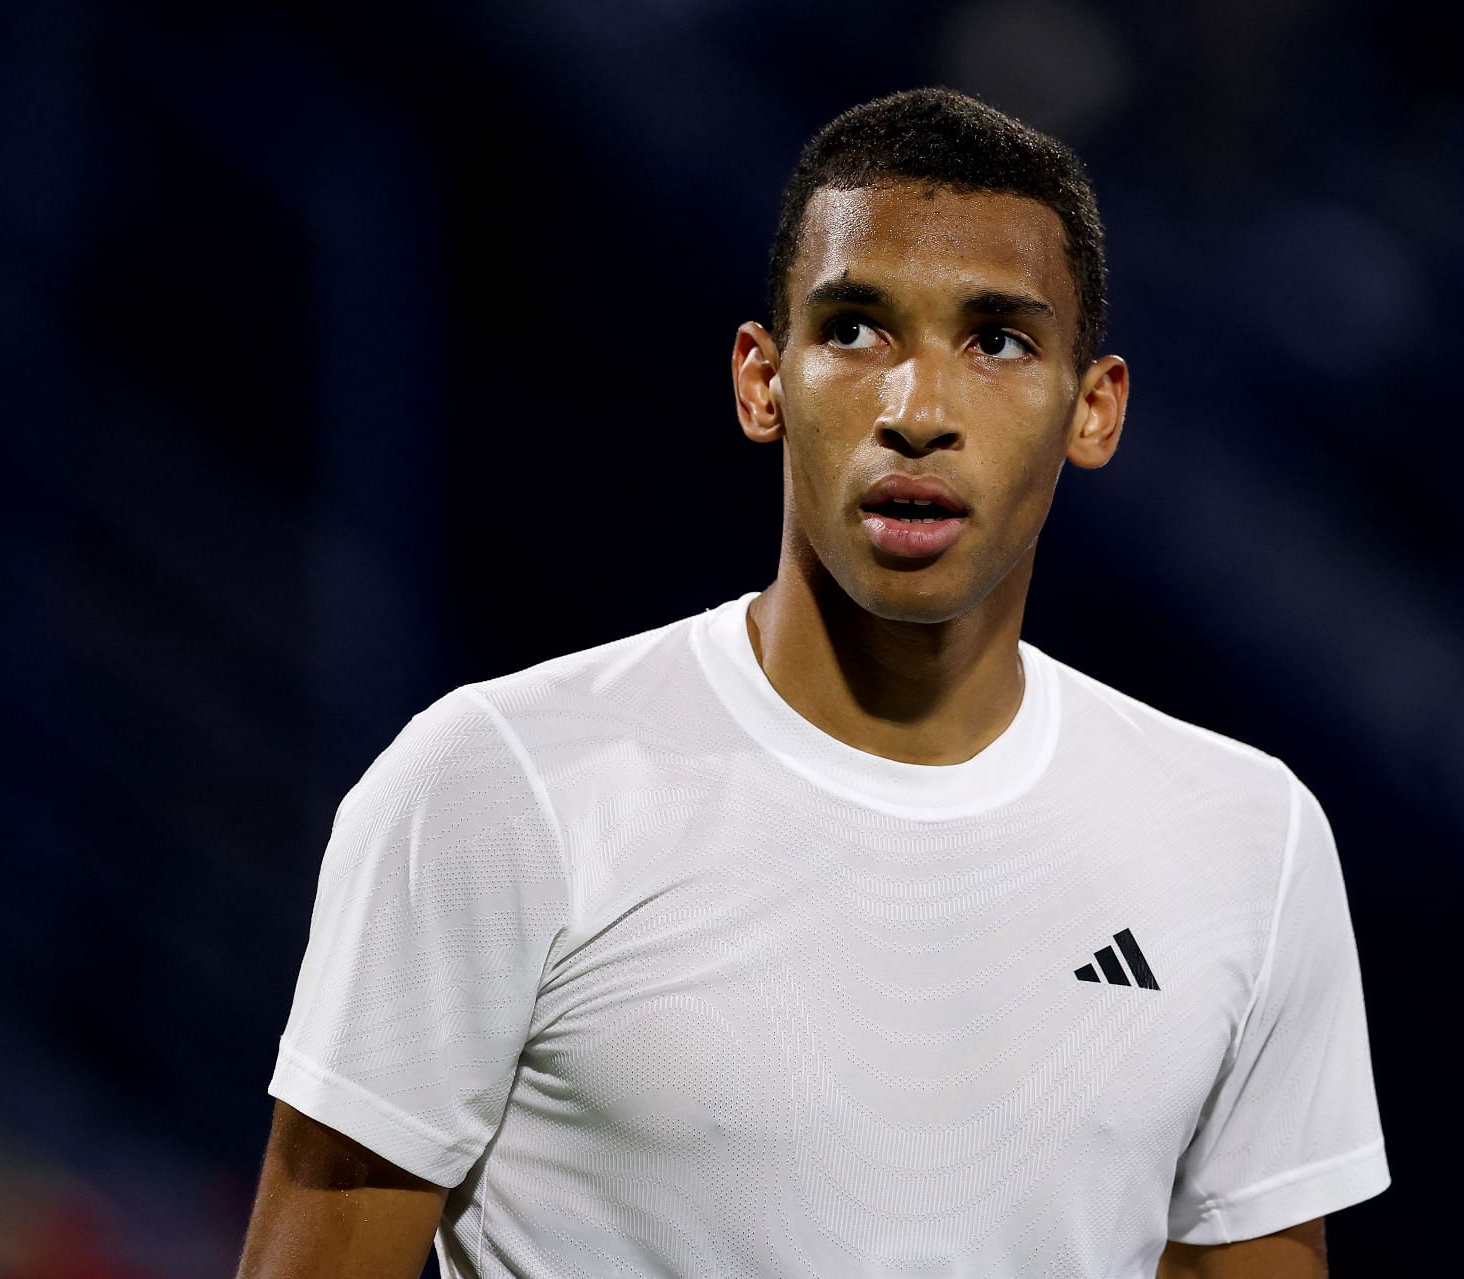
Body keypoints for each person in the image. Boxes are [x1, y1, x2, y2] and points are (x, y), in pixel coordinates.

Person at [236, 87, 1388, 1279]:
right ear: (761, 378)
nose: (917, 411)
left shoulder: (1252, 844)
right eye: (856, 329)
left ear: (1092, 410)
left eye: (996, 341)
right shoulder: (493, 788)